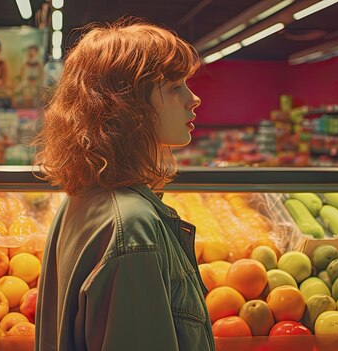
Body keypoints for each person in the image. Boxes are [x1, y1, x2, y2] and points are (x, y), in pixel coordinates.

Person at [34, 18, 212, 350]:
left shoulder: (85, 197)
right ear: (128, 105)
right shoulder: (132, 228)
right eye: (175, 87)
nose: (194, 98)